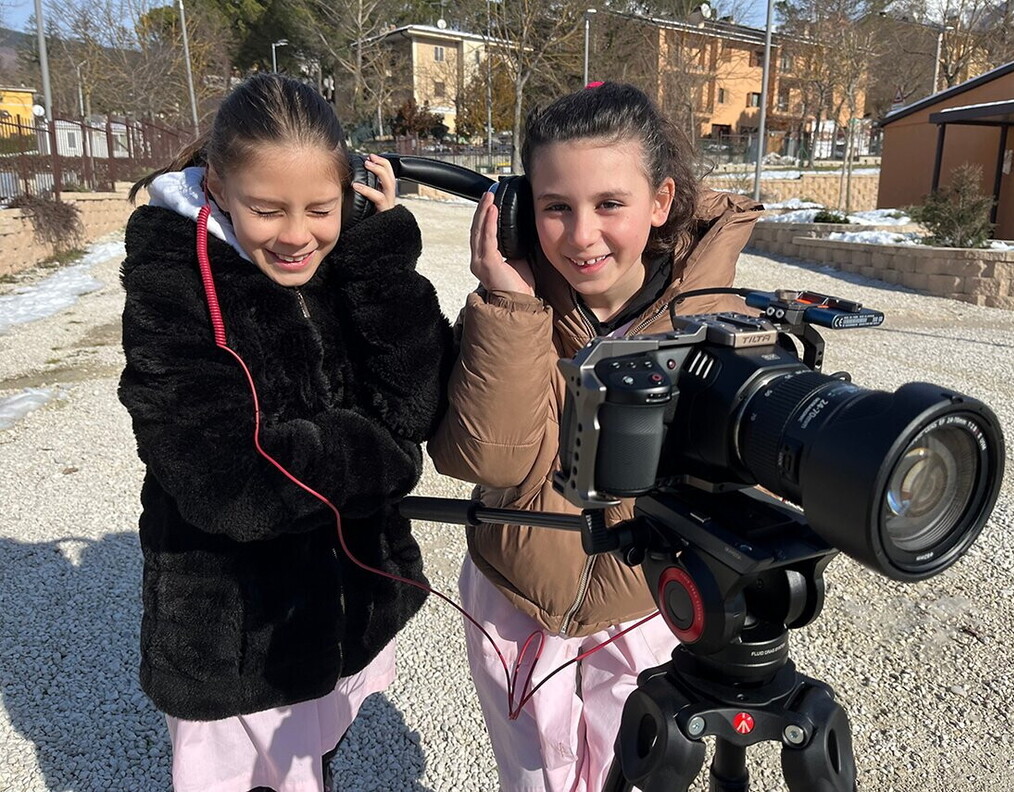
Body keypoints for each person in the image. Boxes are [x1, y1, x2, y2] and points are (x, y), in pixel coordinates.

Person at [118, 73, 451, 792]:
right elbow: (228, 483)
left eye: (321, 209)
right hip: (235, 643)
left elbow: (418, 400)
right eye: (266, 210)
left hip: (343, 607)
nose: (297, 236)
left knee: (318, 763)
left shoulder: (350, 257)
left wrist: (379, 259)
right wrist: (385, 454)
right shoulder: (173, 284)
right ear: (217, 190)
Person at [427, 81, 763, 792]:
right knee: (533, 779)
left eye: (610, 203)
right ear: (523, 209)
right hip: (515, 600)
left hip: (643, 607)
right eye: (556, 208)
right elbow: (483, 459)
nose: (581, 237)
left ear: (661, 202)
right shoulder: (509, 307)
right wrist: (510, 310)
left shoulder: (715, 319)